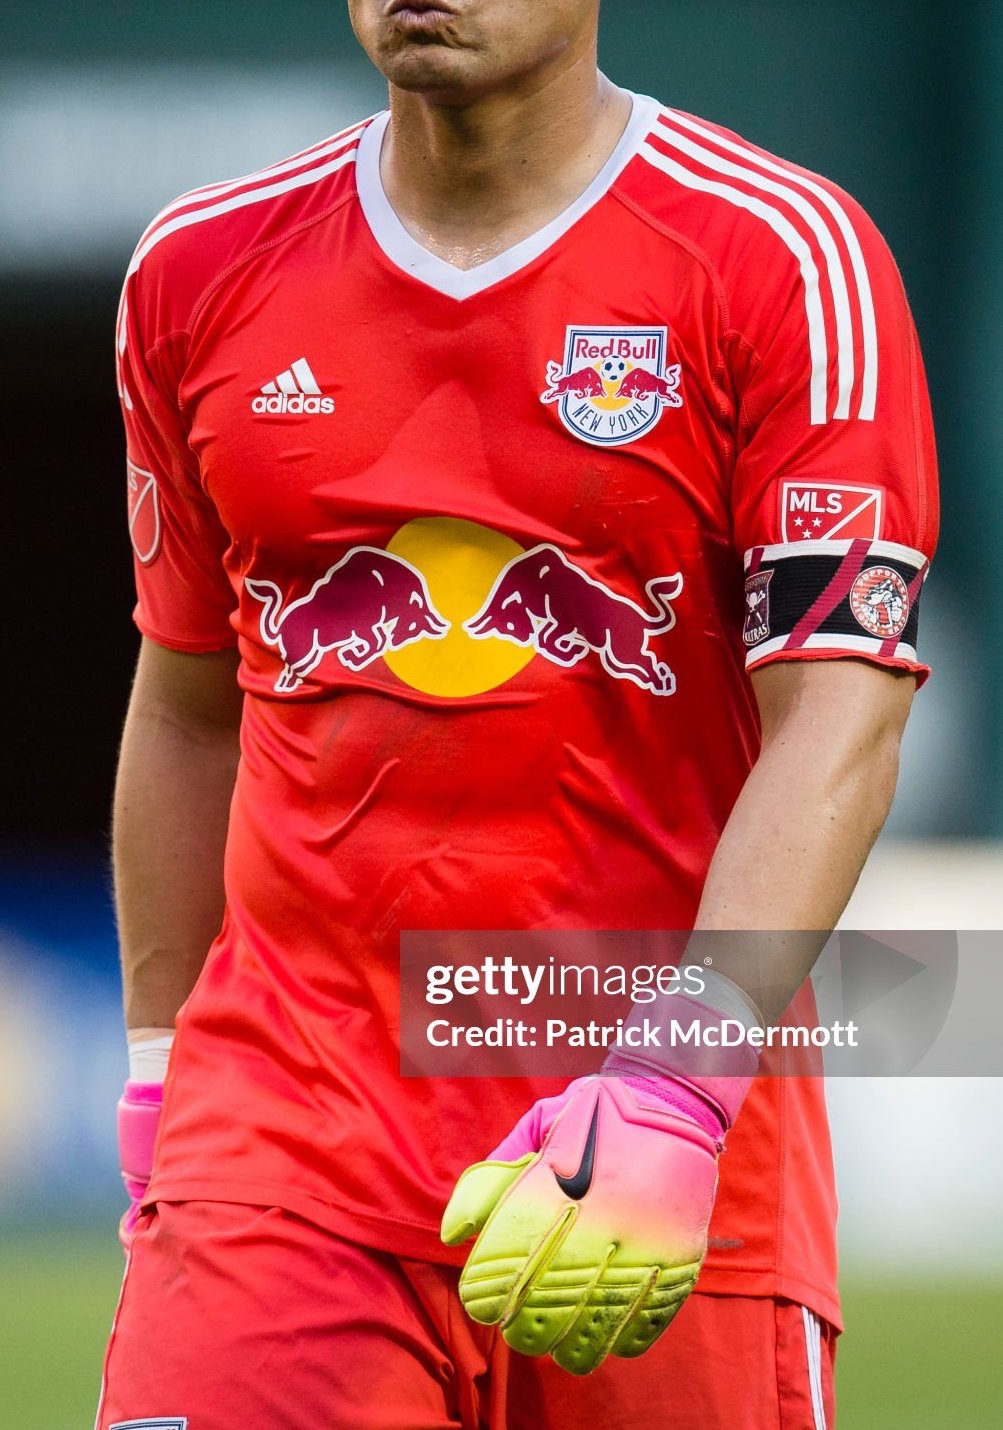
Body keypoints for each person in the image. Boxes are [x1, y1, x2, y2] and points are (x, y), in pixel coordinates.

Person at [96, 1, 938, 1426]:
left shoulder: (785, 260)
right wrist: (159, 1072)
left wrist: (684, 1077)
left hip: (673, 1174)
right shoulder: (199, 267)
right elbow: (186, 703)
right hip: (283, 1153)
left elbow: (838, 721)